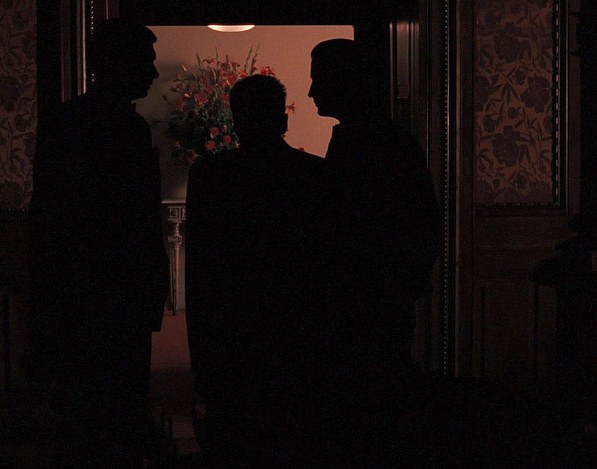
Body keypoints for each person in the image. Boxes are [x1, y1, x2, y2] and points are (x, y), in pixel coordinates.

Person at [26, 19, 169, 468]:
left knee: (89, 409)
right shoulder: (125, 129)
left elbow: (46, 217)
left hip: (84, 290)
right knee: (112, 403)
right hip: (110, 290)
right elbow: (134, 220)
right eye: (145, 61)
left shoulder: (67, 123)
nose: (153, 73)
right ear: (118, 63)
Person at [307, 38, 442, 466]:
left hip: (367, 300)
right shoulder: (375, 139)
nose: (311, 92)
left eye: (318, 80)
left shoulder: (373, 144)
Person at [185, 74, 324, 468]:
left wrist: (202, 360)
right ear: (283, 120)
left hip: (231, 337)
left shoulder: (210, 177)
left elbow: (200, 276)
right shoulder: (314, 175)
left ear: (235, 121)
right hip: (296, 338)